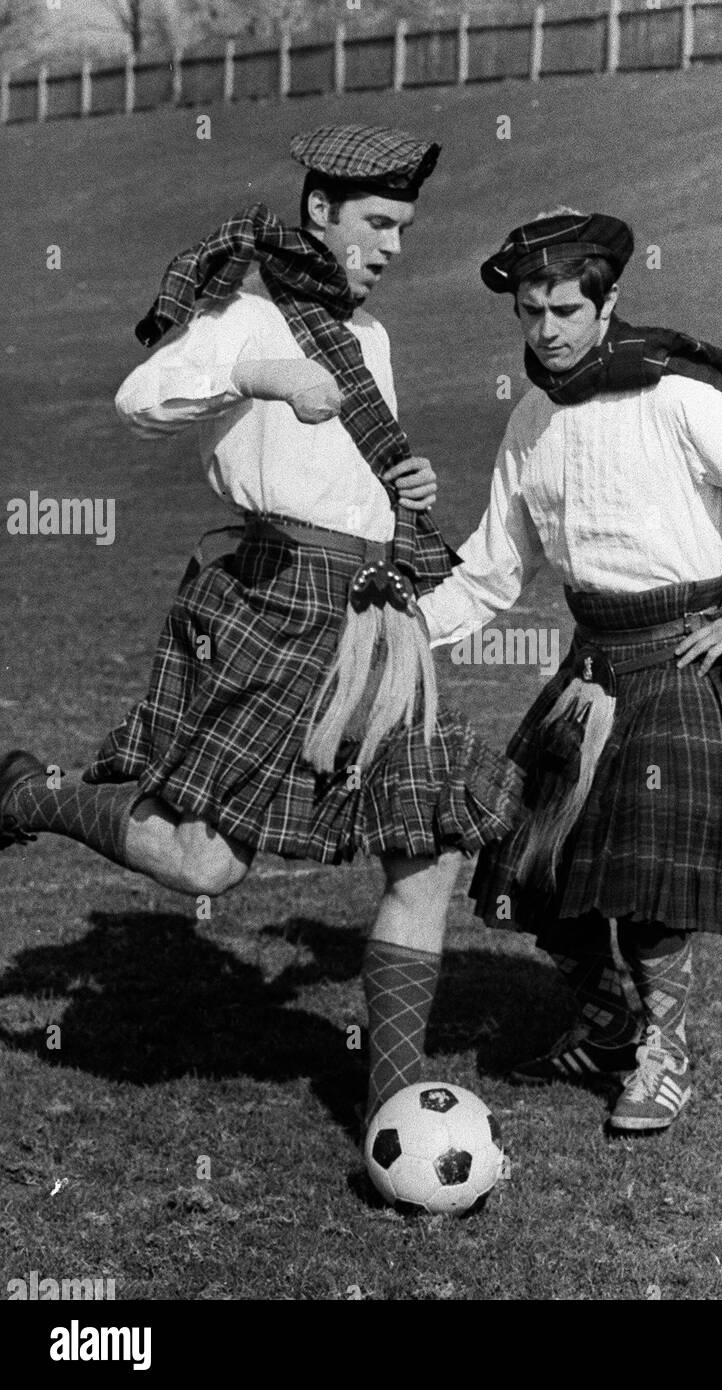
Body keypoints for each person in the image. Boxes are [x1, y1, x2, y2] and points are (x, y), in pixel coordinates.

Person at [0, 124, 521, 1122]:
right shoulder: (247, 313)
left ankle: (398, 1098)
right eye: (377, 223)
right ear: (320, 211)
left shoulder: (371, 341)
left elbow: (344, 482)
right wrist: (263, 376)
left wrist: (402, 491)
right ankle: (31, 793)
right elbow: (140, 395)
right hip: (269, 605)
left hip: (374, 626)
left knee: (429, 841)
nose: (393, 246)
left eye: (403, 228)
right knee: (205, 865)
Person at [417, 209, 722, 1132]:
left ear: (608, 301)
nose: (546, 330)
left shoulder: (675, 397)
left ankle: (665, 1052)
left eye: (565, 309)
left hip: (682, 653)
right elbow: (495, 570)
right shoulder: (531, 418)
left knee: (651, 887)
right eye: (531, 312)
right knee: (526, 859)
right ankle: (607, 1013)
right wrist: (400, 634)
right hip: (592, 662)